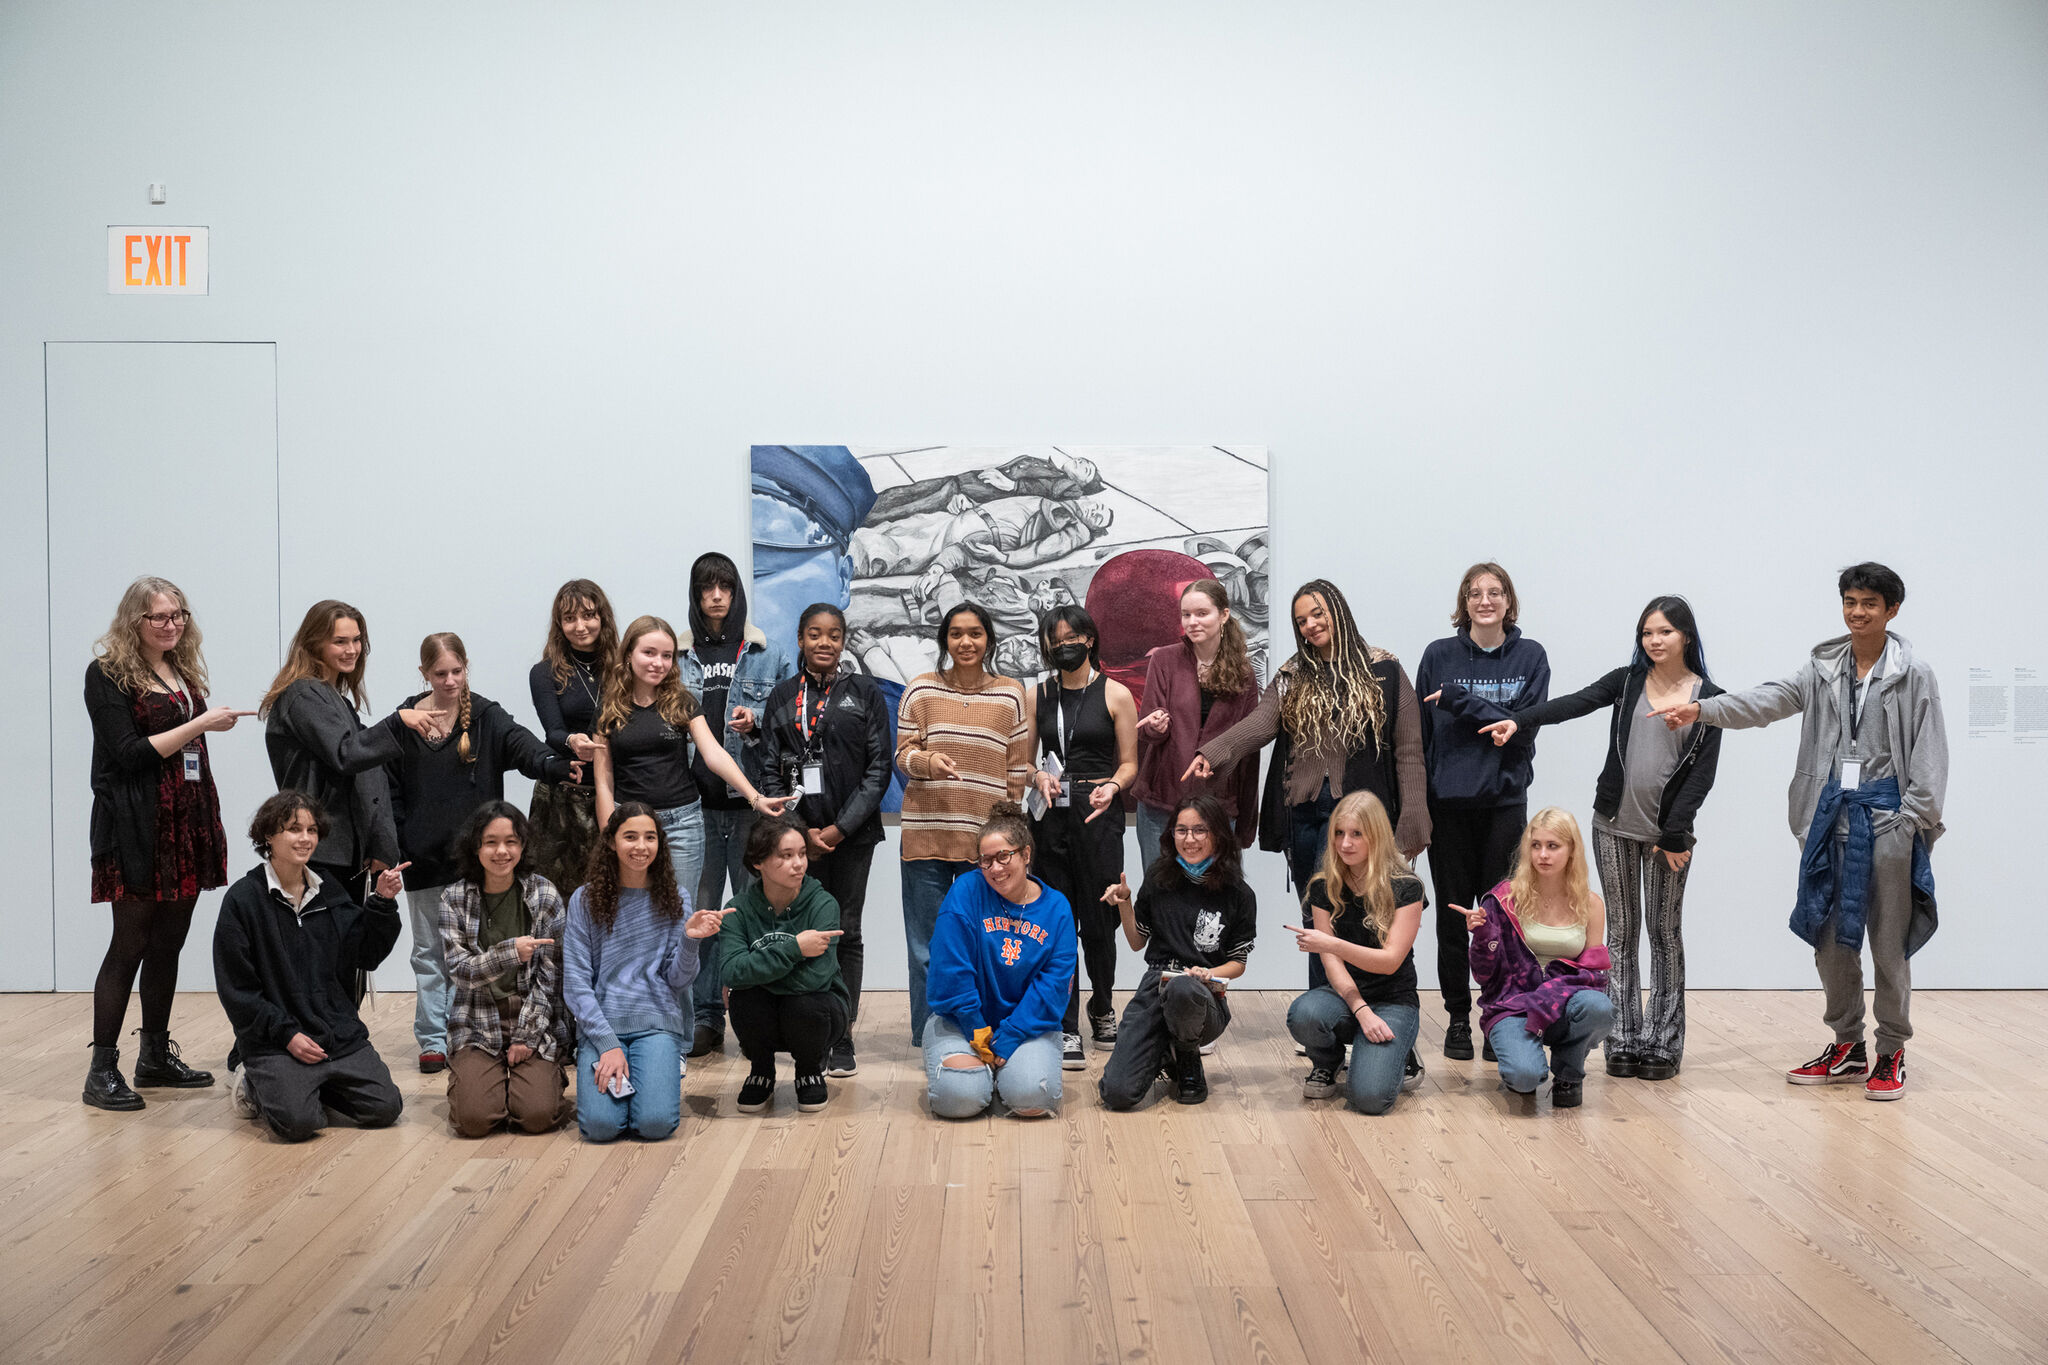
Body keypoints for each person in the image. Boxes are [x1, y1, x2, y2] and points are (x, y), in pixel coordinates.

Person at [1651, 563, 1945, 1101]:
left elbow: (1929, 751)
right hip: (1828, 820)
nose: (1857, 613)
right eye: (1850, 601)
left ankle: (1892, 1050)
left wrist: (1912, 820)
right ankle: (1847, 1044)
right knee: (1830, 940)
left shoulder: (1914, 673)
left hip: (1886, 822)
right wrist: (1701, 709)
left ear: (1892, 610)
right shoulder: (1822, 666)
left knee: (1887, 943)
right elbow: (1768, 699)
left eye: (1869, 604)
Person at [1189, 579, 1429, 1081]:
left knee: (1371, 923)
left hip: (1362, 823)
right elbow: (1259, 725)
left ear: (1338, 611)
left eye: (1318, 614)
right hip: (1305, 815)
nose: (1310, 625)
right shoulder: (1294, 674)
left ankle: (1390, 1028)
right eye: (1301, 620)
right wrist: (1213, 752)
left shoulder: (1384, 668)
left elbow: (1409, 749)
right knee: (1322, 925)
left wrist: (1413, 819)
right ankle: (1327, 1047)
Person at [1479, 596, 1722, 1079]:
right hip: (1612, 825)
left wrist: (1676, 835)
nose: (1654, 641)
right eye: (1647, 633)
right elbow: (1574, 703)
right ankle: (1625, 1039)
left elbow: (1701, 777)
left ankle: (1664, 1042)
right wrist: (1521, 719)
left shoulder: (1708, 699)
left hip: (1667, 839)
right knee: (1622, 933)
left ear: (1686, 637)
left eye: (1665, 632)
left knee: (1665, 934)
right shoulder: (1628, 681)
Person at [82, 576, 251, 1110]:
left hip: (188, 819)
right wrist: (201, 721)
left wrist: (201, 724)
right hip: (137, 824)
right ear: (135, 621)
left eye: (178, 615)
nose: (173, 624)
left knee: (168, 943)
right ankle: (101, 1070)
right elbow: (129, 753)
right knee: (128, 944)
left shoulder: (179, 669)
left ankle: (154, 1054)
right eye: (160, 617)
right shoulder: (106, 674)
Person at [388, 632, 573, 1074]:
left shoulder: (487, 717)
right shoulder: (407, 721)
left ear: (467, 667)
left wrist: (557, 764)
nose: (450, 680)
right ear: (423, 674)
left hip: (478, 865)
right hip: (424, 861)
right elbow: (388, 788)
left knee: (476, 954)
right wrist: (393, 843)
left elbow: (526, 748)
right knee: (429, 954)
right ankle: (433, 1040)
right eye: (440, 673)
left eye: (457, 671)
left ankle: (465, 1035)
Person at [213, 791, 408, 1142]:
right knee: (299, 1124)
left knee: (385, 1109)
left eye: (312, 830)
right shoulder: (243, 900)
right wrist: (286, 1034)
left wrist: (381, 902)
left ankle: (312, 1085)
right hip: (275, 1042)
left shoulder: (329, 891)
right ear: (268, 836)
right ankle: (252, 1080)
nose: (305, 838)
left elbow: (365, 954)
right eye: (293, 829)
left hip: (335, 1034)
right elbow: (238, 991)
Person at [1415, 563, 1549, 1063]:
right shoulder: (1438, 655)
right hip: (1448, 808)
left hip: (1504, 805)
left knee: (1502, 920)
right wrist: (1418, 809)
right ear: (1464, 602)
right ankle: (1455, 1018)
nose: (1485, 600)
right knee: (1453, 921)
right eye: (1475, 593)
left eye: (1495, 593)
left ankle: (1500, 1015)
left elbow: (1527, 726)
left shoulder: (1531, 656)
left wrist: (1460, 701)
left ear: (1508, 601)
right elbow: (1421, 740)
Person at [758, 603, 892, 1077]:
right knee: (799, 930)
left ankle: (841, 1033)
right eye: (814, 634)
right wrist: (798, 832)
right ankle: (802, 1027)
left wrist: (838, 829)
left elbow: (879, 771)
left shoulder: (865, 693)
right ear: (799, 638)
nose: (824, 643)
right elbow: (770, 768)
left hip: (851, 838)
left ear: (844, 641)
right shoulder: (781, 696)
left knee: (846, 929)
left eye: (834, 635)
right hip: (795, 840)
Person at [675, 552, 795, 1060]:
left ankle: (755, 1012)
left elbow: (791, 719)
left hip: (751, 806)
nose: (716, 596)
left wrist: (759, 718)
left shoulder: (766, 652)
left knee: (756, 914)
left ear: (737, 590)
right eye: (707, 587)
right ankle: (705, 1018)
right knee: (701, 917)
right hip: (692, 807)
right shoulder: (676, 657)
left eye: (724, 585)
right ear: (696, 594)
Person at [895, 603, 1032, 1046]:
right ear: (944, 640)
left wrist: (1010, 838)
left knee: (984, 948)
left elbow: (1016, 772)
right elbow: (901, 755)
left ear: (988, 639)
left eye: (975, 633)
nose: (966, 642)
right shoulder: (920, 691)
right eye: (956, 634)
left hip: (985, 852)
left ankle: (978, 1033)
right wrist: (926, 761)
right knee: (927, 950)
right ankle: (927, 1039)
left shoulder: (1011, 693)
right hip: (926, 837)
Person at [589, 614, 792, 913]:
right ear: (629, 654)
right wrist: (611, 833)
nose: (658, 663)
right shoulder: (608, 707)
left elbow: (714, 754)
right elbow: (603, 779)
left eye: (667, 656)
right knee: (633, 915)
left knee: (681, 919)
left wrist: (755, 797)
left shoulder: (680, 701)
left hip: (681, 825)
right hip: (629, 826)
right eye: (649, 653)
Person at [561, 802, 731, 1142]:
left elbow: (678, 981)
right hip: (602, 1027)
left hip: (657, 1023)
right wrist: (607, 1045)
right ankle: (641, 1078)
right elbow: (576, 984)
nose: (641, 847)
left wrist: (690, 940)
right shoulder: (584, 900)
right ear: (611, 842)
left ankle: (659, 1069)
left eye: (650, 837)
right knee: (600, 1127)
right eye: (631, 837)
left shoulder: (676, 898)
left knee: (654, 1125)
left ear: (660, 844)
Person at [1026, 605, 1137, 1068]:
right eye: (1055, 639)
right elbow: (1025, 760)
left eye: (1072, 636)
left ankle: (1104, 1006)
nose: (1063, 645)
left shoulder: (1116, 693)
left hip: (1098, 816)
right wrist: (1036, 777)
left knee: (1099, 922)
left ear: (1089, 640)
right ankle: (1066, 1025)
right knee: (1057, 924)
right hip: (1050, 817)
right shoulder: (1038, 694)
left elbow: (1129, 763)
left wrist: (1113, 786)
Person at [1096, 795, 1257, 1109]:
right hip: (1156, 981)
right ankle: (1163, 1049)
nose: (1189, 839)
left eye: (1200, 830)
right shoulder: (1160, 877)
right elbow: (1136, 941)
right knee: (1117, 1093)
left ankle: (1187, 1057)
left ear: (1218, 835)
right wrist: (1125, 903)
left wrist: (1208, 974)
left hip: (1202, 993)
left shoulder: (1239, 893)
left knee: (1184, 988)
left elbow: (1238, 963)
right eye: (1181, 831)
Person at [923, 803, 1076, 1119]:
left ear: (1026, 855)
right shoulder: (965, 891)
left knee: (1032, 1097)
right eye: (985, 860)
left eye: (1004, 856)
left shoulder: (1057, 908)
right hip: (961, 1022)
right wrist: (976, 1028)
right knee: (959, 1100)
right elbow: (950, 969)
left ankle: (999, 1072)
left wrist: (1011, 1035)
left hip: (1028, 1027)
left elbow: (1054, 985)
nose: (994, 868)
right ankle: (980, 1074)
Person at [1282, 792, 1427, 1115]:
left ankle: (1402, 1050)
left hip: (1393, 1000)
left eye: (1356, 834)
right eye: (1338, 833)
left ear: (1375, 836)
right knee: (1304, 1014)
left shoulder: (1407, 887)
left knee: (1371, 1100)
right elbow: (1332, 965)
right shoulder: (1324, 886)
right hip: (1347, 996)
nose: (1345, 843)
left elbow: (1390, 962)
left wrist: (1331, 943)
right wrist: (1361, 1009)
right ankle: (1328, 1061)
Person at [1459, 808, 1614, 1109]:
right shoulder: (1503, 899)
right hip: (1512, 1005)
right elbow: (1484, 976)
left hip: (1562, 1003)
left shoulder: (1591, 904)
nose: (1543, 854)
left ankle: (1568, 1073)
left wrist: (1549, 993)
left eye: (1553, 846)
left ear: (1571, 851)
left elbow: (1594, 976)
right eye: (1536, 845)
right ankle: (1521, 1061)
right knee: (1525, 1078)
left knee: (1599, 1008)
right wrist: (1483, 938)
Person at [260, 600, 421, 891]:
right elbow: (346, 754)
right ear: (314, 643)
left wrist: (380, 843)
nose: (352, 650)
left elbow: (370, 772)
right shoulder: (303, 694)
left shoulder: (333, 698)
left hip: (343, 850)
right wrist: (397, 722)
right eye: (340, 641)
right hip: (318, 850)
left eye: (357, 640)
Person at [439, 801, 572, 1137]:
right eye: (491, 842)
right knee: (474, 1121)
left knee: (536, 1116)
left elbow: (552, 979)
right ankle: (482, 1081)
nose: (502, 851)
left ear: (523, 845)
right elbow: (460, 971)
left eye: (511, 841)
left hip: (533, 1016)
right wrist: (509, 953)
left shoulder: (543, 894)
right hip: (476, 1019)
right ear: (476, 846)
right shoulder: (454, 898)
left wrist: (528, 1036)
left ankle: (535, 1081)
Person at [718, 817, 850, 1115]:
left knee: (802, 1002)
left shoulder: (823, 904)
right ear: (758, 862)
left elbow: (816, 978)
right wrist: (795, 948)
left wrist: (755, 973)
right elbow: (729, 972)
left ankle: (809, 1069)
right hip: (764, 1012)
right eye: (786, 855)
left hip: (819, 1012)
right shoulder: (737, 910)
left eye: (802, 853)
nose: (798, 864)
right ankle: (761, 1069)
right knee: (746, 999)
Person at [1131, 578, 1262, 873]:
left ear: (1224, 615)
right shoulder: (1163, 659)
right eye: (1186, 615)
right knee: (1159, 898)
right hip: (1159, 805)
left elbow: (1247, 748)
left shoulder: (1244, 674)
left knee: (1211, 903)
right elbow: (1146, 729)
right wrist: (1156, 726)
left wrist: (1245, 823)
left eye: (1202, 613)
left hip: (1216, 807)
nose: (1192, 622)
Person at [528, 578, 619, 898]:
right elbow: (552, 732)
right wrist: (573, 742)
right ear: (559, 624)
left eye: (588, 615)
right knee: (555, 900)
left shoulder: (624, 667)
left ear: (602, 618)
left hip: (613, 792)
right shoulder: (543, 671)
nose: (580, 626)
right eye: (569, 618)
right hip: (562, 799)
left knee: (611, 895)